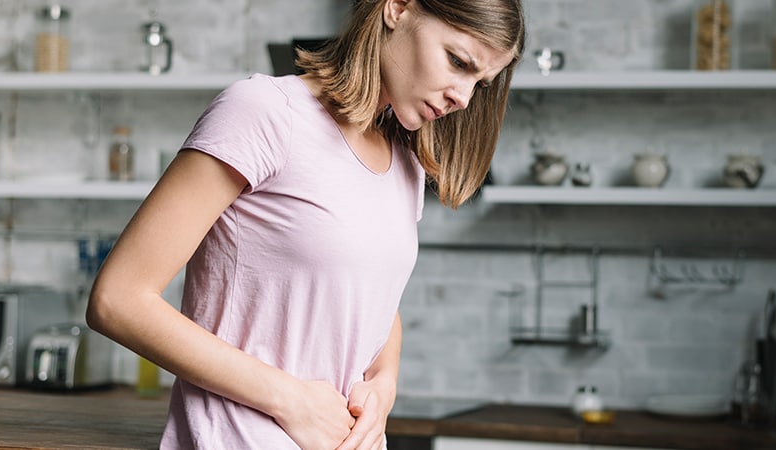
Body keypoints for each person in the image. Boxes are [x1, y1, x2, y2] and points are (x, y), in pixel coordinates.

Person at [86, 0, 525, 448]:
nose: (464, 97)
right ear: (397, 8)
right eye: (457, 61)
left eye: (480, 82)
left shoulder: (407, 160)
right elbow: (118, 300)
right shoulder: (264, 112)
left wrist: (384, 382)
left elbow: (368, 298)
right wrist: (290, 400)